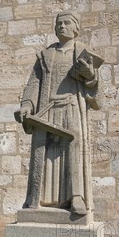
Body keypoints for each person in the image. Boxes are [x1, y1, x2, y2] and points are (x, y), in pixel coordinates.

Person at [14, 11, 102, 215]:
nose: (62, 26)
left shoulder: (82, 52)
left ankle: (76, 197)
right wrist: (27, 105)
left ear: (76, 28)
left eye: (67, 23)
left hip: (71, 109)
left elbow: (95, 89)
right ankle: (37, 197)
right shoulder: (45, 55)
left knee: (74, 145)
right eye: (59, 23)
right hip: (46, 110)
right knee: (43, 151)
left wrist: (89, 76)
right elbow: (33, 84)